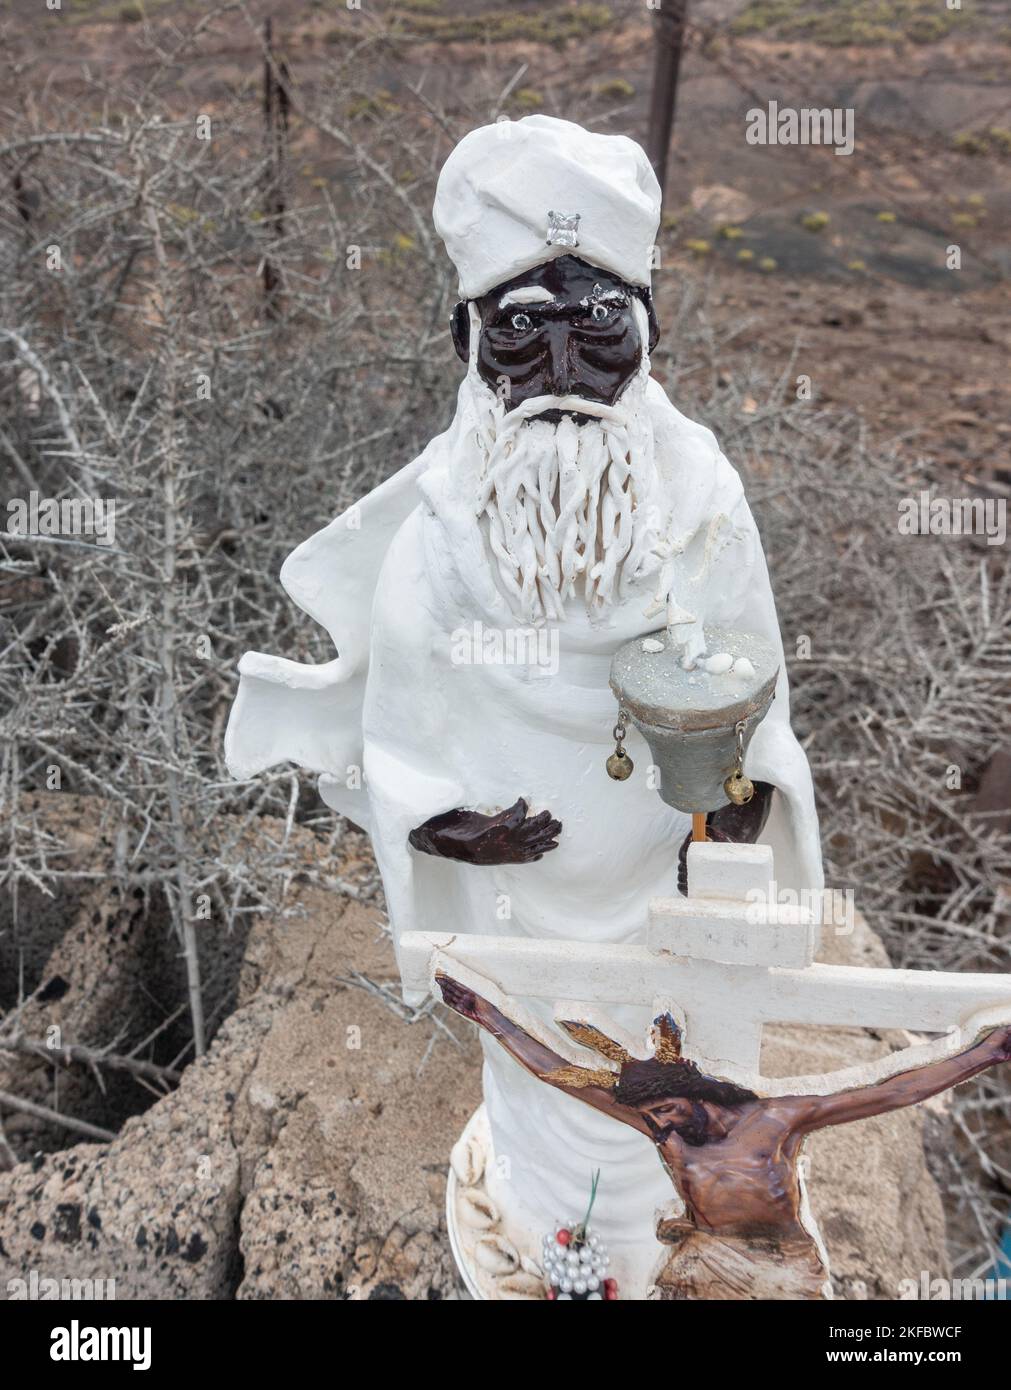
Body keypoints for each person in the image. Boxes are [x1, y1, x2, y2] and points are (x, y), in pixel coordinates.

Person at [225, 115, 823, 1263]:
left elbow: (754, 682)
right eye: (521, 329)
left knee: (674, 1084)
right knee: (546, 1081)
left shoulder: (697, 495)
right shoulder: (446, 527)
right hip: (519, 898)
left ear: (651, 332)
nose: (560, 361)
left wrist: (740, 800)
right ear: (467, 336)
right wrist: (442, 824)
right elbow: (400, 711)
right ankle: (555, 1249)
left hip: (665, 872)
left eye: (599, 326)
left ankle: (673, 1249)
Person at [438, 972, 1011, 1300]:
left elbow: (892, 1090)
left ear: (689, 1089)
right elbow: (554, 1070)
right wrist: (490, 1015)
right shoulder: (666, 1135)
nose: (658, 1126)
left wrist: (983, 1053)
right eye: (653, 1118)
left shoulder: (775, 1120)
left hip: (782, 1260)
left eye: (663, 1109)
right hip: (704, 1256)